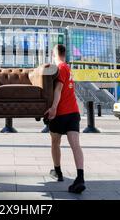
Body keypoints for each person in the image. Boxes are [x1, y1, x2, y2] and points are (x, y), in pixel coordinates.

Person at [44, 44, 86, 194]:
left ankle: (58, 171)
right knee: (75, 145)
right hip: (73, 112)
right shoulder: (68, 68)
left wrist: (54, 108)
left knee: (55, 142)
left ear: (53, 53)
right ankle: (80, 177)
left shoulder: (60, 67)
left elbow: (58, 89)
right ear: (64, 53)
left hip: (61, 113)